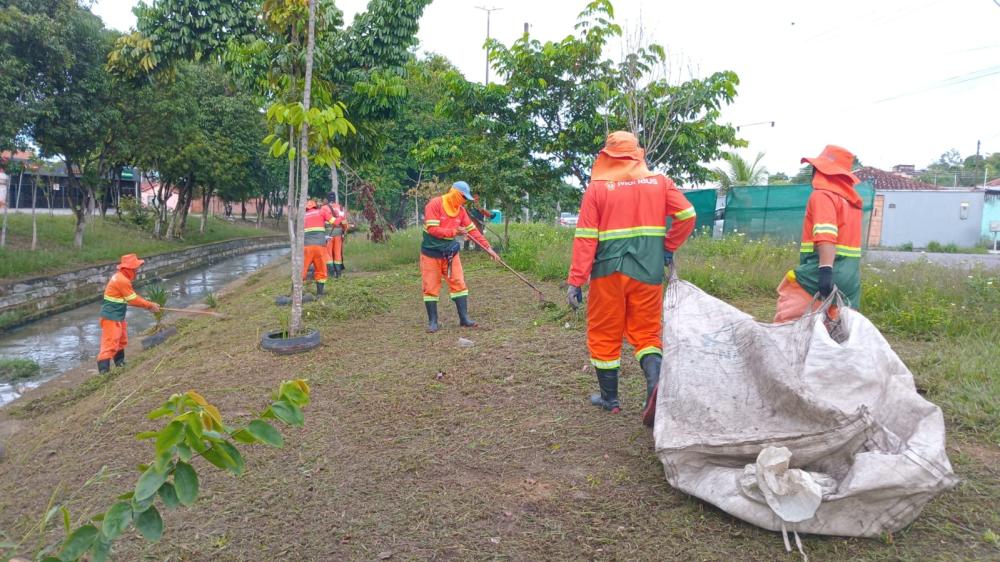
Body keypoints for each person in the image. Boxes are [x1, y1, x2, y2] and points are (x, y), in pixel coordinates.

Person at [566, 131, 696, 421]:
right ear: (637, 153)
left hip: (607, 273)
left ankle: (610, 399)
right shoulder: (660, 182)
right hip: (648, 272)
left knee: (604, 333)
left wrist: (576, 280)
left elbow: (586, 238)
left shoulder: (597, 188)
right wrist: (667, 248)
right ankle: (655, 384)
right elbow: (688, 215)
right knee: (647, 333)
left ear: (607, 155)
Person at [774, 145, 863, 323]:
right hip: (850, 280)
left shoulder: (822, 195)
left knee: (788, 325)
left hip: (820, 273)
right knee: (836, 331)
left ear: (820, 171)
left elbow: (826, 235)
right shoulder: (852, 204)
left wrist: (825, 273)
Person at [421, 181, 500, 332]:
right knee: (430, 286)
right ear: (455, 193)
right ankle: (433, 322)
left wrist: (488, 248)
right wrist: (454, 232)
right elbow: (432, 230)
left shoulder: (461, 211)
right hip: (431, 253)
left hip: (450, 253)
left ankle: (464, 318)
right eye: (463, 197)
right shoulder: (435, 204)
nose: (464, 201)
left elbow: (473, 231)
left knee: (458, 282)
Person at [98, 254, 160, 374]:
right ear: (128, 269)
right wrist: (150, 305)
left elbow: (128, 299)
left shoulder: (120, 277)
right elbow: (133, 299)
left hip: (117, 315)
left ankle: (120, 364)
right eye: (135, 268)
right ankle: (104, 373)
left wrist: (148, 305)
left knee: (121, 340)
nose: (136, 271)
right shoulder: (122, 280)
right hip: (111, 317)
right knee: (110, 343)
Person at [303, 200, 330, 296]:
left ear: (306, 208)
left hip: (306, 248)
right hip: (319, 247)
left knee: (301, 270)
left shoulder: (303, 216)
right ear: (315, 206)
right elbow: (333, 221)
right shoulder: (321, 212)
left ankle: (295, 293)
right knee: (321, 270)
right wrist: (341, 219)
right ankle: (319, 294)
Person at [323, 193, 349, 278]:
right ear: (335, 199)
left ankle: (331, 274)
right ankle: (338, 273)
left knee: (328, 254)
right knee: (337, 254)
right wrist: (344, 231)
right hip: (338, 234)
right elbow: (344, 222)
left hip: (328, 235)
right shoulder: (341, 208)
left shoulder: (324, 208)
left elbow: (321, 222)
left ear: (327, 199)